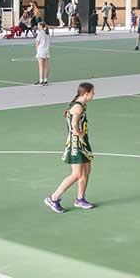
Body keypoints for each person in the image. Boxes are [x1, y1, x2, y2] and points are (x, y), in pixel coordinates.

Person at [45, 82, 96, 213]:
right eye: (92, 92)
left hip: (82, 142)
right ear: (86, 94)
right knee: (77, 174)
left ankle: (80, 199)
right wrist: (79, 134)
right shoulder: (78, 107)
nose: (94, 95)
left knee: (86, 170)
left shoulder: (80, 104)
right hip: (76, 143)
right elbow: (74, 125)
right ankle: (53, 198)